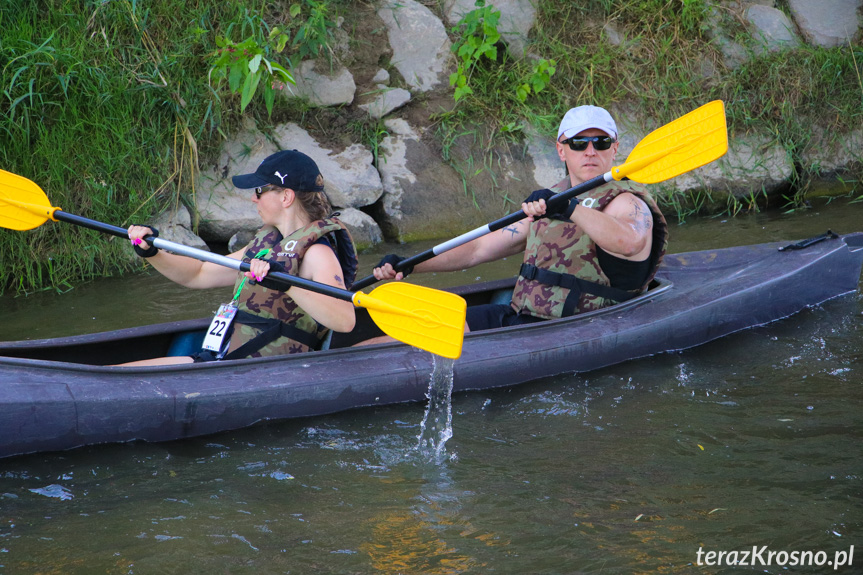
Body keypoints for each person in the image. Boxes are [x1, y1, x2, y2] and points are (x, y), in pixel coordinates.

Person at [373, 105, 668, 331]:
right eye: (579, 143)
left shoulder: (627, 201)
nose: (590, 151)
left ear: (614, 148)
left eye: (601, 142)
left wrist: (569, 208)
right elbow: (479, 248)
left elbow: (629, 242)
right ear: (561, 150)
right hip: (522, 317)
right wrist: (411, 265)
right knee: (401, 335)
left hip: (577, 327)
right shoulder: (553, 198)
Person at [121, 150, 358, 366]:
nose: (253, 199)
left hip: (268, 369)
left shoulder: (317, 253)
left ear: (286, 197)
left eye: (259, 191)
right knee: (117, 370)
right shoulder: (267, 246)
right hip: (226, 358)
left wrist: (287, 285)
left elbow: (344, 320)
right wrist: (152, 253)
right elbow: (199, 274)